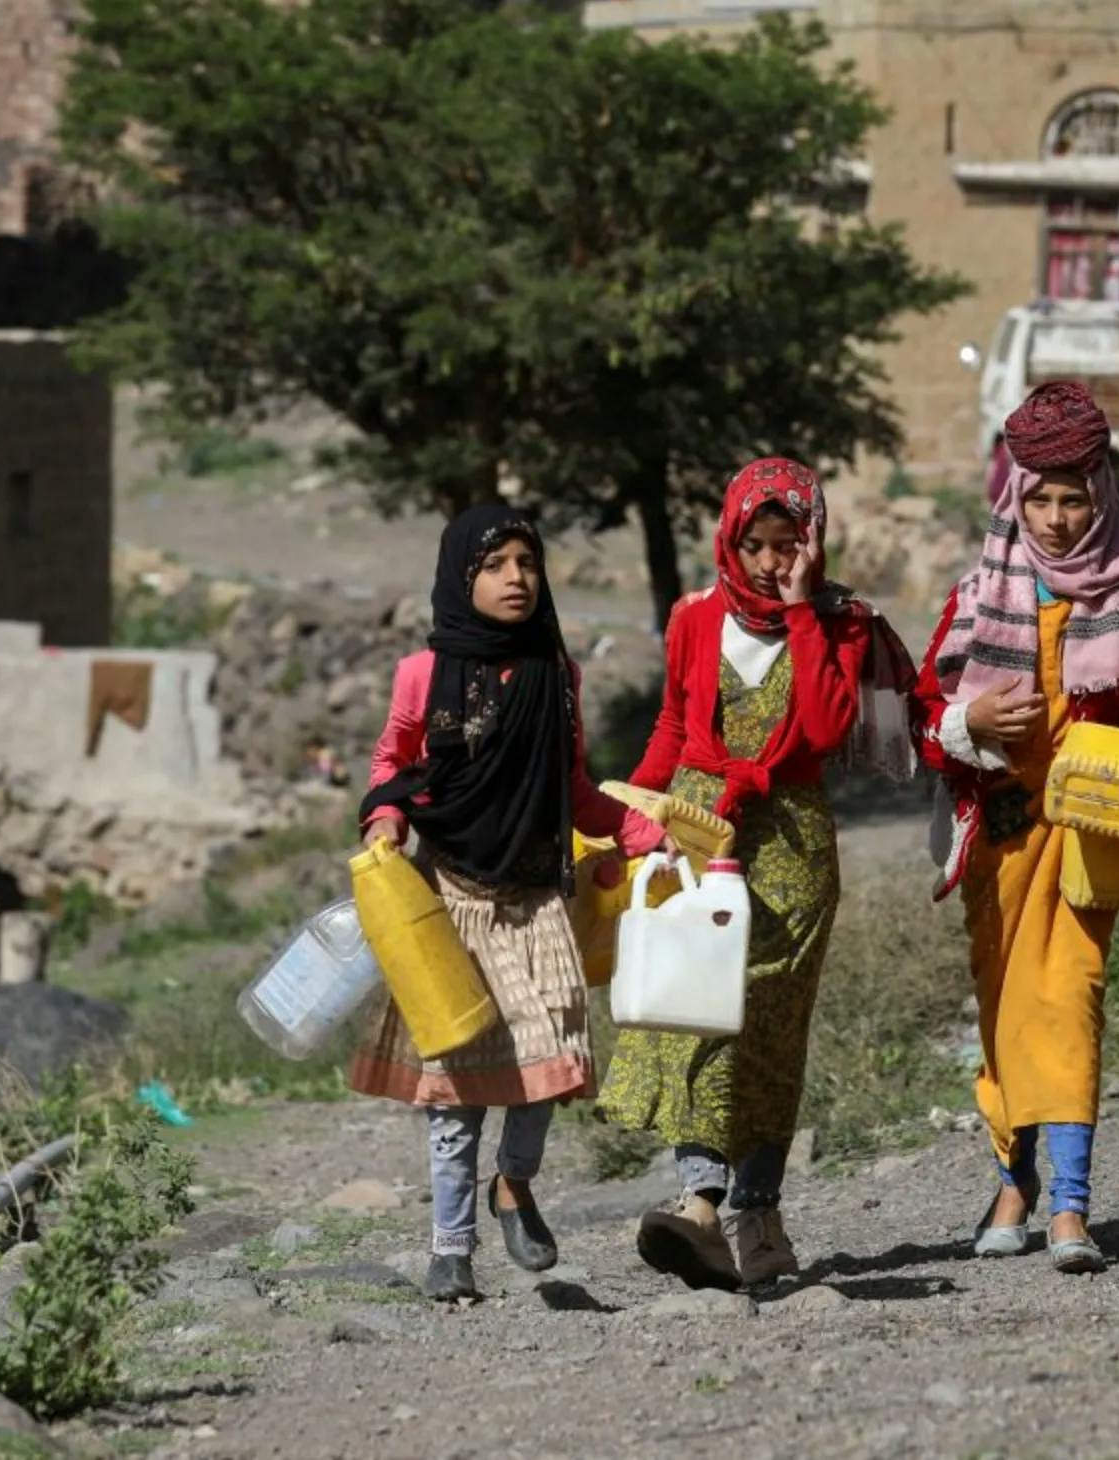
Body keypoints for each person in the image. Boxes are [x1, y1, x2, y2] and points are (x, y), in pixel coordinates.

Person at [601, 457, 915, 1290]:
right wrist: (642, 808)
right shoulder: (695, 620)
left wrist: (807, 611)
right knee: (696, 1009)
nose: (774, 564)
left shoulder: (841, 626)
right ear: (730, 541)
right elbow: (673, 723)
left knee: (771, 1028)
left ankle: (758, 1208)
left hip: (791, 849)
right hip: (703, 833)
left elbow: (818, 730)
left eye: (791, 545)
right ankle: (702, 1202)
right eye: (760, 545)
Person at [915, 382, 1119, 1275]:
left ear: (1102, 494)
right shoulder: (973, 601)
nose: (1057, 517)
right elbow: (929, 714)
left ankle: (1071, 1207)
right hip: (1001, 834)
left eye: (1074, 497)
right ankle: (1013, 1184)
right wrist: (972, 730)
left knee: (1069, 998)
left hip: (1088, 841)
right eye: (1038, 497)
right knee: (1004, 1011)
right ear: (1013, 496)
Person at [350, 505, 668, 1303]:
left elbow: (570, 788)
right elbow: (393, 766)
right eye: (496, 567)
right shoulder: (422, 675)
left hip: (536, 900)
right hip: (452, 903)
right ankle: (449, 1250)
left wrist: (641, 834)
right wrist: (386, 822)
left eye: (527, 564)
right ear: (462, 578)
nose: (516, 579)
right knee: (456, 1095)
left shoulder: (555, 673)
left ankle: (514, 1187)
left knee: (551, 1068)